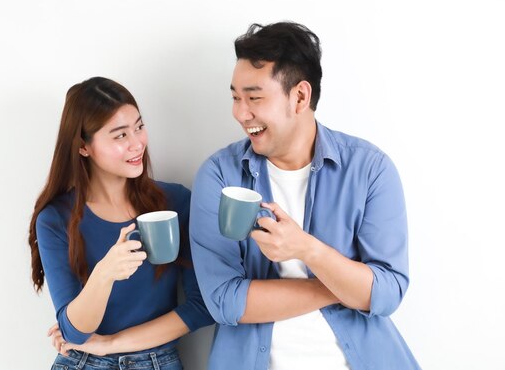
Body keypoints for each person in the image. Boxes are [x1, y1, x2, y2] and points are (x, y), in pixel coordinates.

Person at [189, 22, 420, 370]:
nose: (240, 113)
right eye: (236, 97)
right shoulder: (219, 176)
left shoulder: (369, 169)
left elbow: (385, 294)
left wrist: (306, 250)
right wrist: (344, 286)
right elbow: (224, 301)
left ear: (300, 96)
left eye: (254, 98)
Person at [28, 77, 213, 370]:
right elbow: (74, 330)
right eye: (120, 135)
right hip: (83, 362)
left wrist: (112, 343)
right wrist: (105, 273)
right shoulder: (55, 219)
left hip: (156, 361)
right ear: (83, 147)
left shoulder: (174, 203)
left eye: (139, 127)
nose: (137, 143)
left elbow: (202, 307)